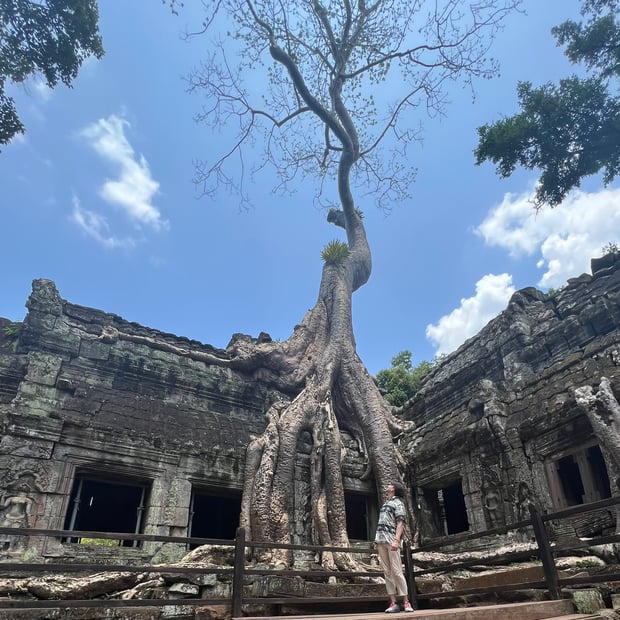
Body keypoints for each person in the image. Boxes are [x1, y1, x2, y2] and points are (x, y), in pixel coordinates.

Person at [374, 483, 413, 613]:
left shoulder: (398, 503)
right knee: (387, 572)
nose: (388, 486)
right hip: (380, 539)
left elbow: (400, 523)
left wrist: (396, 540)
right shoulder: (386, 503)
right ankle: (393, 603)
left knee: (397, 571)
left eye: (390, 485)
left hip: (391, 539)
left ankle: (406, 602)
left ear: (394, 489)